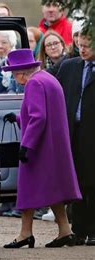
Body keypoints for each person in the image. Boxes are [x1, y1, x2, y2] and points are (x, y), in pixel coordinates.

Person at [2, 49, 82, 248]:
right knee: (53, 189)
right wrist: (19, 118)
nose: (14, 77)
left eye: (14, 73)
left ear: (21, 72)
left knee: (27, 189)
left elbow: (39, 118)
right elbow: (43, 114)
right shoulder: (48, 78)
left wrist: (26, 145)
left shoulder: (34, 83)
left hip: (40, 146)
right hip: (53, 146)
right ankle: (65, 230)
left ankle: (25, 234)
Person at [56, 29, 95, 246]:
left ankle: (93, 230)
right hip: (73, 131)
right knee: (76, 181)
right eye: (79, 45)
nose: (82, 49)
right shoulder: (69, 67)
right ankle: (79, 230)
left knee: (93, 182)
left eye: (87, 46)